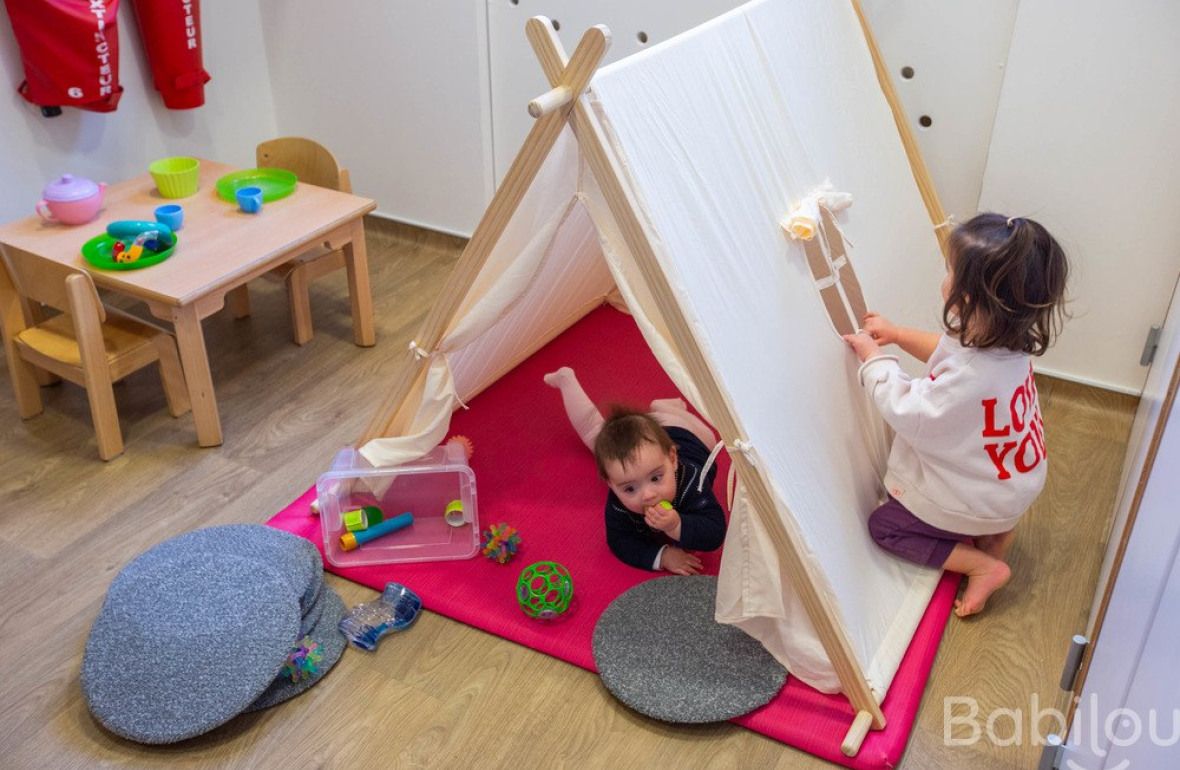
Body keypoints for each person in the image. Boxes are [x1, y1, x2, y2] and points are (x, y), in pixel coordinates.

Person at [843, 213, 1069, 617]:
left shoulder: (968, 378)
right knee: (990, 508)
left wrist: (876, 361)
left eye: (950, 270)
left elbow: (907, 410)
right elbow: (946, 349)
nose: (944, 276)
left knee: (885, 526)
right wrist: (897, 334)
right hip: (1012, 486)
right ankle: (996, 531)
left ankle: (984, 565)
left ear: (969, 297)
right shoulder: (1006, 342)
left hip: (977, 497)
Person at [543, 367, 726, 575]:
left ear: (672, 460)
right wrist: (662, 555)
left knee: (710, 436)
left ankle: (666, 407)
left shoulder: (692, 480)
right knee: (597, 437)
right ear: (610, 483)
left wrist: (676, 525)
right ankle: (567, 379)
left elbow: (715, 531)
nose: (648, 495)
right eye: (630, 488)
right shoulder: (618, 504)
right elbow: (620, 541)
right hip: (641, 443)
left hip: (683, 433)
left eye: (656, 478)